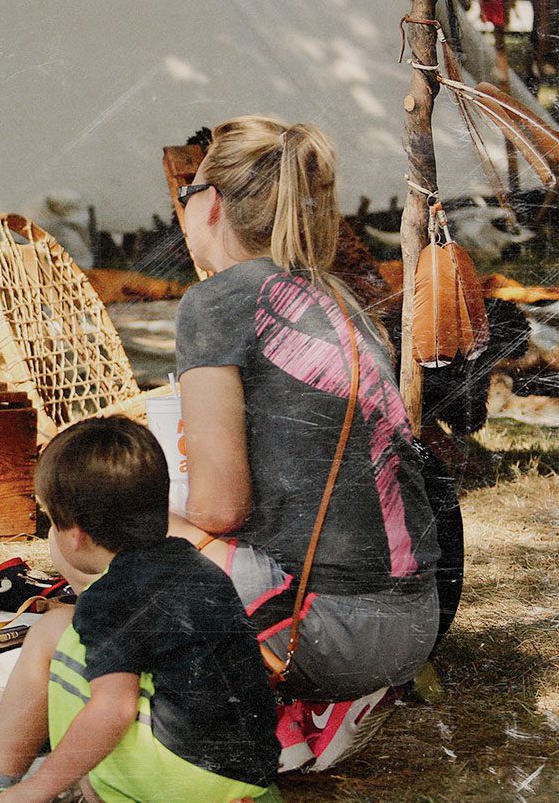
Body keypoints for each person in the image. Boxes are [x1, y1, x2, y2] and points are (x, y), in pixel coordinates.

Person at [170, 117, 439, 705]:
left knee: (103, 518)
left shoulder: (216, 302)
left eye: (187, 191)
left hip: (324, 632)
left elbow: (220, 506)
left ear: (210, 202)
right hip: (415, 623)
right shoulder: (337, 299)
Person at [0, 417, 281, 803]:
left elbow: (114, 709)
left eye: (51, 522)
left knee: (59, 639)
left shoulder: (108, 598)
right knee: (70, 633)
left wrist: (36, 790)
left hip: (187, 785)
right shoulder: (193, 563)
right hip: (247, 778)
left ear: (75, 536)